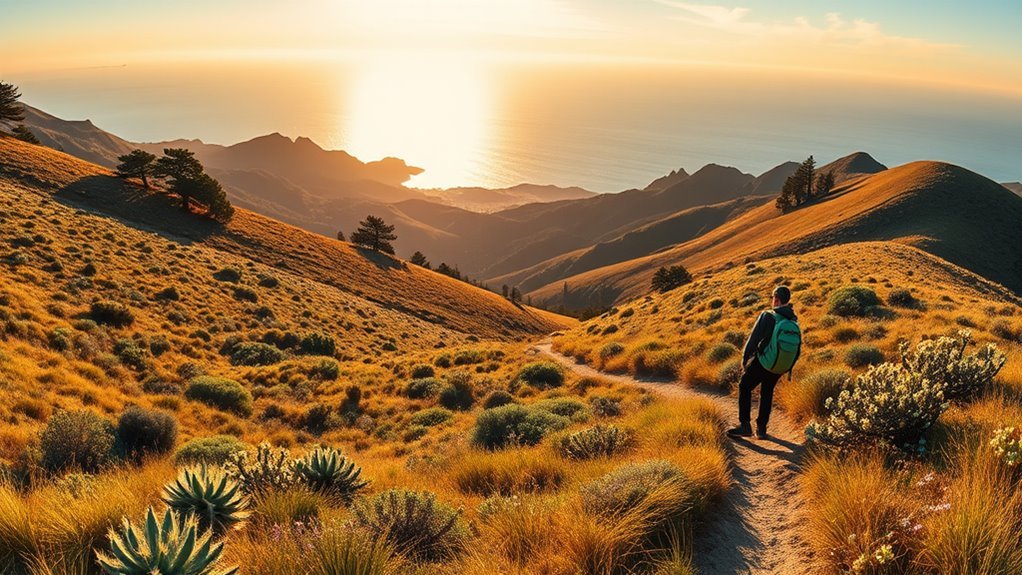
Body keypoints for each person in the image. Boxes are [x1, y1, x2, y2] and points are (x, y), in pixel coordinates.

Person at [727, 285, 801, 439]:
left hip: (763, 361)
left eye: (773, 297)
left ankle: (745, 425)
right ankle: (761, 429)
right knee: (767, 391)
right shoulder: (792, 319)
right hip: (779, 365)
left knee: (744, 385)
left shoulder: (768, 315)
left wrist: (745, 360)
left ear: (777, 299)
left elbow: (753, 340)